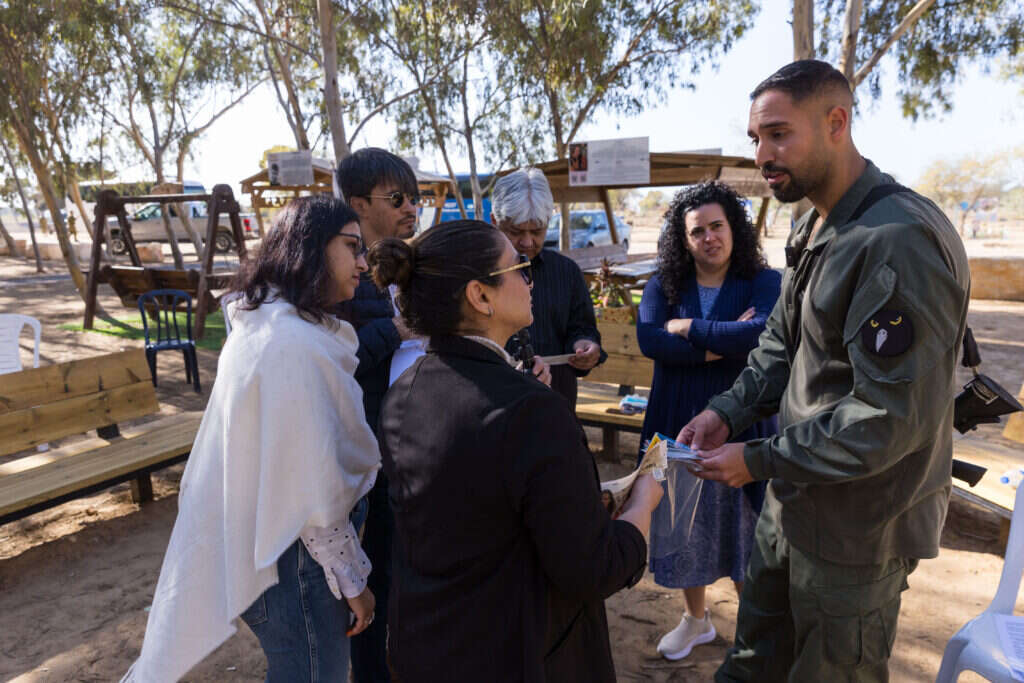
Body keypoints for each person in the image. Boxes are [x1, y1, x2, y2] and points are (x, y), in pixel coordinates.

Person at [679, 60, 971, 682]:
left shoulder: (897, 239)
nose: (762, 154)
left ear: (836, 122)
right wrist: (724, 412)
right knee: (754, 661)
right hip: (791, 504)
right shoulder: (814, 222)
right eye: (756, 138)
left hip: (857, 533)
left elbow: (886, 419)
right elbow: (782, 344)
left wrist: (756, 459)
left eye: (779, 134)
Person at [370, 219, 663, 682]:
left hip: (427, 647)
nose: (530, 280)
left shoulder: (405, 389)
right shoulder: (532, 412)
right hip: (514, 653)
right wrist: (643, 504)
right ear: (480, 296)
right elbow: (594, 568)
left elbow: (478, 508)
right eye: (518, 267)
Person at [123, 196, 381, 682]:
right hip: (298, 563)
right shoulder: (292, 344)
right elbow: (312, 492)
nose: (363, 264)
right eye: (352, 247)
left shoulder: (268, 321)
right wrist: (353, 580)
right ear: (309, 249)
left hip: (274, 547)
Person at [637, 180, 781, 661]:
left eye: (717, 226)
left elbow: (763, 334)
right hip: (673, 423)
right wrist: (723, 341)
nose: (709, 238)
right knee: (683, 530)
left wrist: (690, 330)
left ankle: (755, 634)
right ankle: (696, 620)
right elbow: (651, 342)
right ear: (684, 239)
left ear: (734, 228)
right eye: (697, 231)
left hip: (741, 428)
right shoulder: (663, 284)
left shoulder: (764, 282)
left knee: (744, 534)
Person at [333, 148, 419, 683]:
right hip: (359, 460)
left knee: (392, 577)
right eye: (397, 198)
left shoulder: (397, 265)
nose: (411, 208)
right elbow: (332, 359)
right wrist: (397, 331)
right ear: (359, 203)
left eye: (415, 198)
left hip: (397, 452)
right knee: (368, 585)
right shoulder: (335, 275)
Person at [491, 168, 606, 410]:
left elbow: (582, 328)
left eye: (537, 231)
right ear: (495, 221)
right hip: (493, 406)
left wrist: (585, 346)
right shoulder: (477, 275)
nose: (527, 242)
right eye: (515, 231)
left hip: (557, 406)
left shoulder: (566, 272)